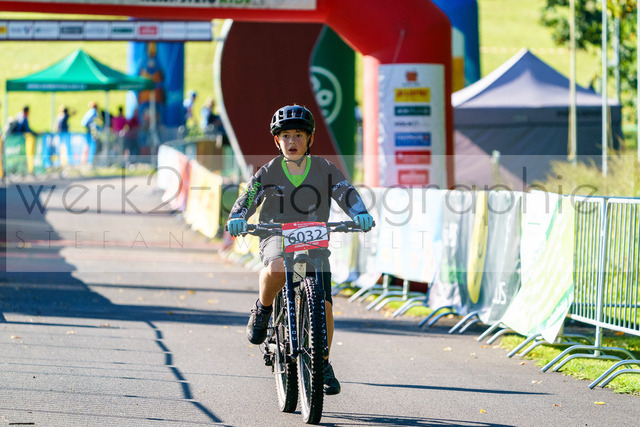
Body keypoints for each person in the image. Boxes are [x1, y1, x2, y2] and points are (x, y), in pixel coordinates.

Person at [226, 105, 374, 396]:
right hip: (275, 234)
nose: (292, 141)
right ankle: (263, 308)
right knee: (277, 268)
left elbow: (346, 192)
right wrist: (238, 217)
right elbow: (248, 197)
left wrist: (360, 213)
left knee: (324, 305)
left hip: (313, 238)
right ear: (277, 141)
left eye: (298, 135)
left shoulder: (324, 169)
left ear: (310, 139)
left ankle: (323, 362)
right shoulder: (269, 171)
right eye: (285, 136)